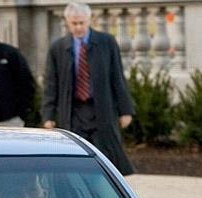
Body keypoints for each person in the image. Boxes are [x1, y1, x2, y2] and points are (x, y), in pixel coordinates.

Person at [42, 2, 134, 175]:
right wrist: (48, 115)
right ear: (67, 22)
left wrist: (125, 110)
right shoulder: (58, 48)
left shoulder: (106, 42)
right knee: (74, 155)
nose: (78, 27)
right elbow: (51, 83)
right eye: (74, 23)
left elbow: (117, 76)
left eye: (82, 23)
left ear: (89, 20)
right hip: (73, 110)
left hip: (101, 108)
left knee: (105, 156)